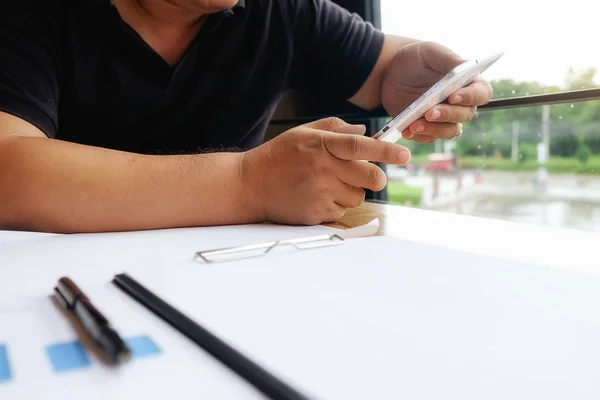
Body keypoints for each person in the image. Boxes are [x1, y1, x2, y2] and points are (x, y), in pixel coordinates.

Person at [0, 0, 492, 233]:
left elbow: (387, 66)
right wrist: (250, 183)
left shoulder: (281, 13)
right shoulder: (30, 13)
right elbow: (8, 173)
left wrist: (405, 79)